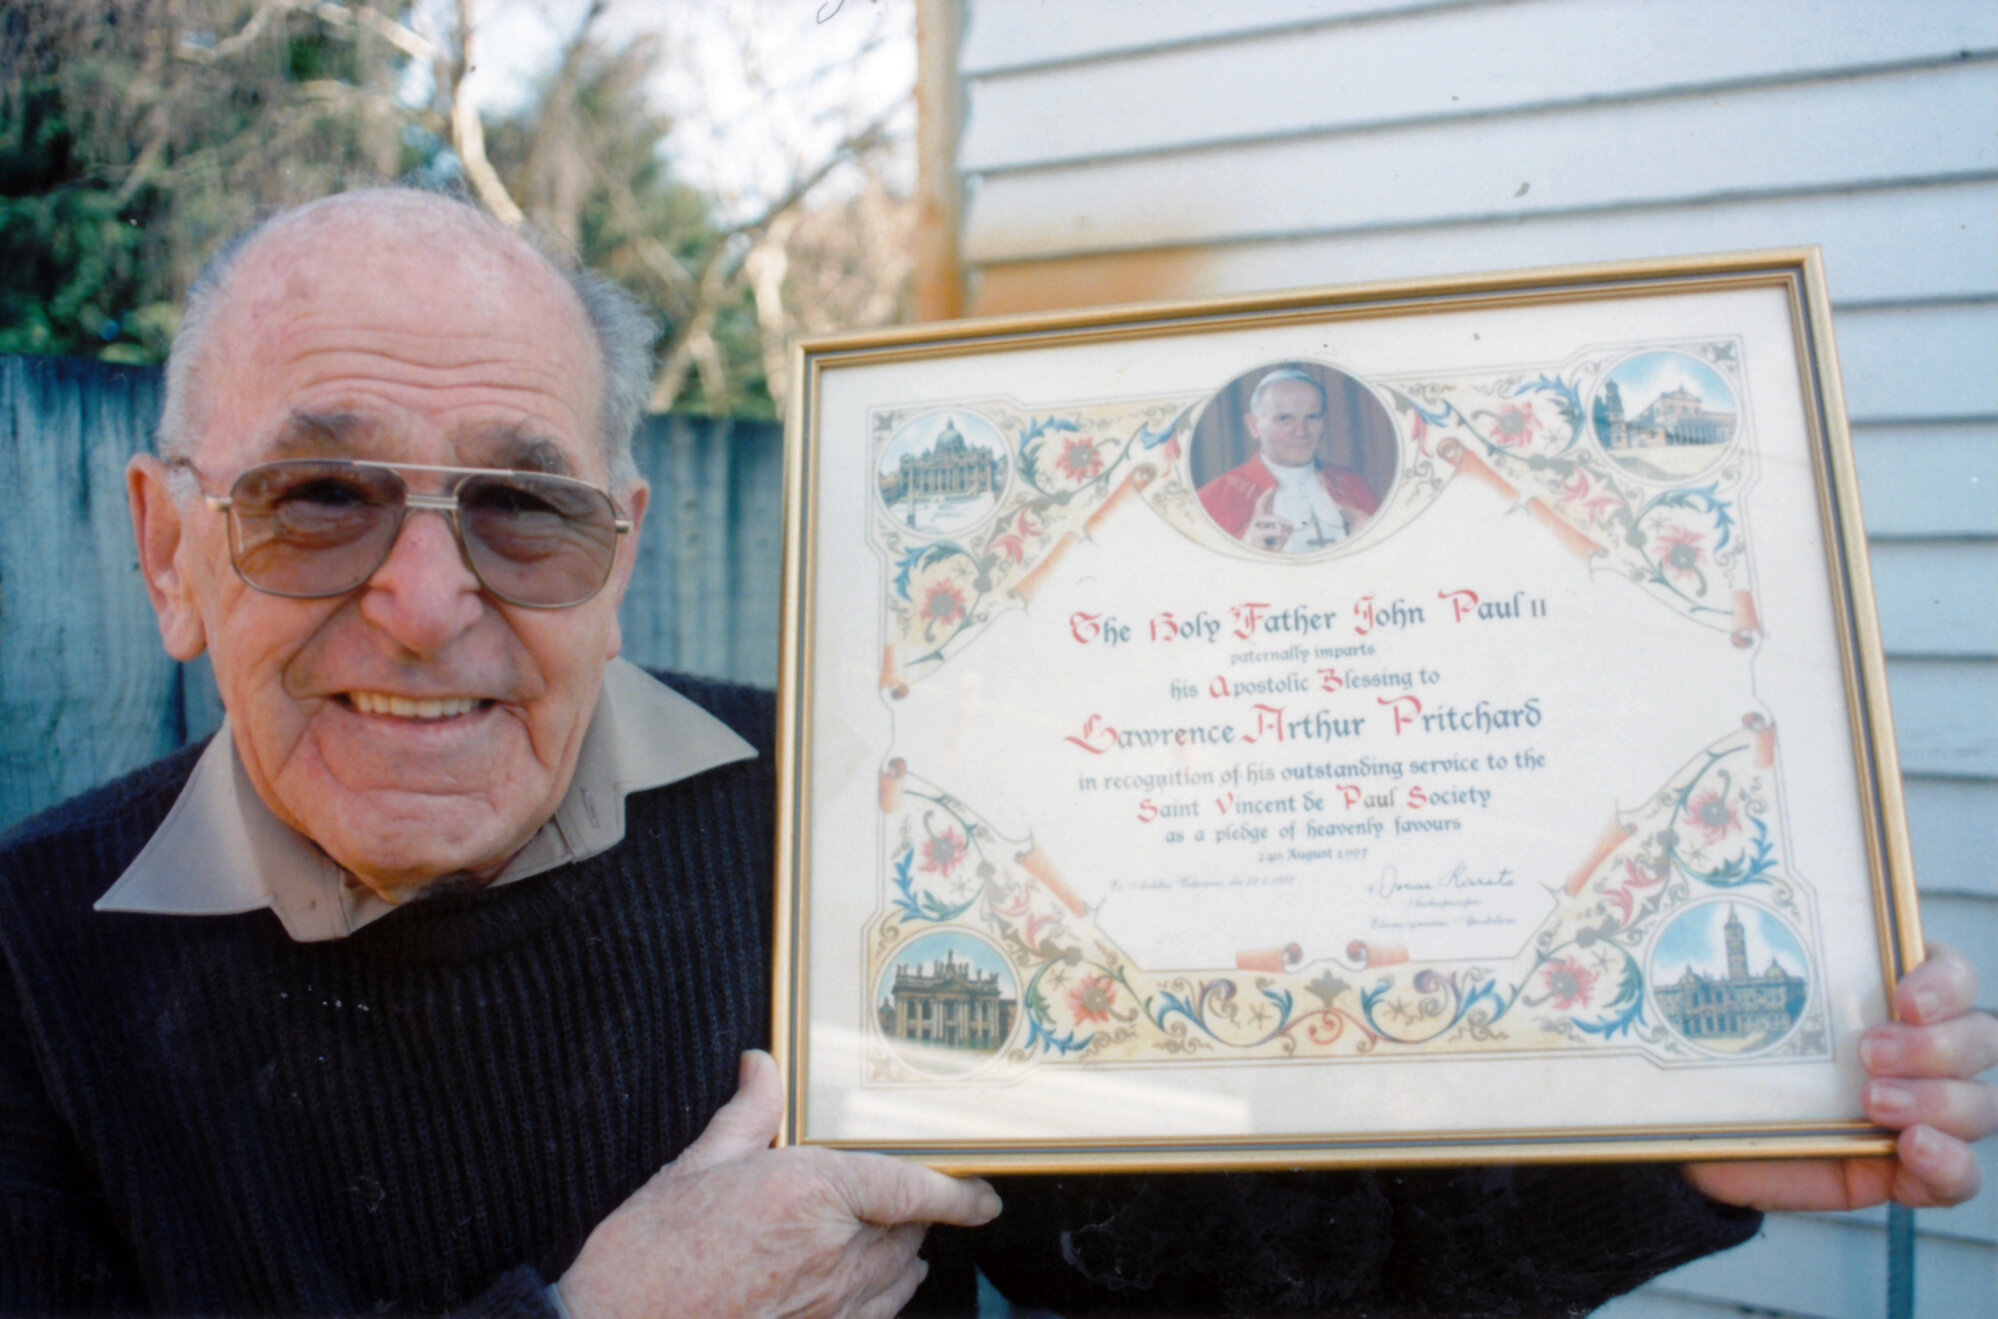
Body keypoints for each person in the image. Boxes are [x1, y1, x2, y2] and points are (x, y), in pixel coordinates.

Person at [1, 189, 1992, 1318]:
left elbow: (1226, 1242)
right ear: (172, 546)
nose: (427, 596)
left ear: (618, 549)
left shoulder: (857, 820)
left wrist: (1671, 1149)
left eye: (519, 511)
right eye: (320, 497)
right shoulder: (22, 981)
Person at [1197, 368, 1383, 551]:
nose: (1301, 432)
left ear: (1323, 420)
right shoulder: (1212, 499)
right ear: (1254, 425)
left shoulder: (1353, 483)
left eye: (1312, 417)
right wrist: (1248, 549)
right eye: (1284, 418)